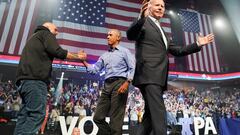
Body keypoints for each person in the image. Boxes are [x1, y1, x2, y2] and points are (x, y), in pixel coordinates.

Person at [126, 0, 215, 134]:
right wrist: (141, 18)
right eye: (157, 5)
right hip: (149, 74)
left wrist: (197, 44)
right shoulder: (143, 22)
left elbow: (178, 51)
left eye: (162, 6)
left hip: (158, 76)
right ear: (148, 7)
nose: (161, 8)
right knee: (159, 112)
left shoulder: (161, 30)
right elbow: (130, 35)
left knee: (150, 115)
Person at [14, 22, 82, 135]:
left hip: (24, 81)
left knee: (24, 115)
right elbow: (58, 52)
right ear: (47, 28)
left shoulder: (33, 37)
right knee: (37, 114)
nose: (57, 32)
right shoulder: (45, 34)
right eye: (55, 29)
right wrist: (78, 57)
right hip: (35, 81)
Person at [80, 29, 135, 135]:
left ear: (118, 37)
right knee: (97, 117)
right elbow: (94, 69)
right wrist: (83, 61)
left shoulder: (125, 51)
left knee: (116, 119)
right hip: (107, 85)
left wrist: (127, 82)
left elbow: (133, 68)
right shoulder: (104, 55)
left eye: (110, 35)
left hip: (120, 83)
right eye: (107, 35)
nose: (107, 37)